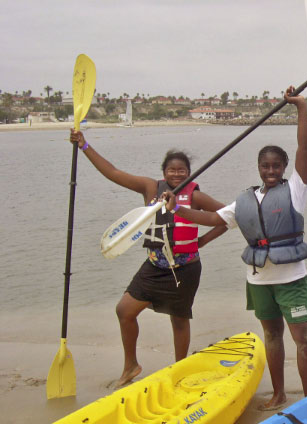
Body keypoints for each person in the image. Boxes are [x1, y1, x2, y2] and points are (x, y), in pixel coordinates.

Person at [161, 86, 307, 410]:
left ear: (285, 167)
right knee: (271, 337)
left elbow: (305, 147)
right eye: (266, 166)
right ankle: (278, 394)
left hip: (291, 279)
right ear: (259, 167)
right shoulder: (244, 201)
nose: (271, 171)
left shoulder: (296, 191)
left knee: (305, 339)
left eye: (277, 166)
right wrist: (177, 207)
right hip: (259, 279)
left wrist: (301, 108)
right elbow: (208, 217)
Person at [69, 129, 226, 386]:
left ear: (189, 173)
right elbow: (114, 173)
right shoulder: (150, 188)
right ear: (164, 172)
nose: (177, 174)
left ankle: (179, 369)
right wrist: (85, 146)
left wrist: (203, 241)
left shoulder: (195, 196)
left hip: (184, 269)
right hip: (154, 265)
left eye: (182, 170)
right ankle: (131, 365)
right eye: (172, 170)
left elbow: (228, 216)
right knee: (124, 311)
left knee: (179, 320)